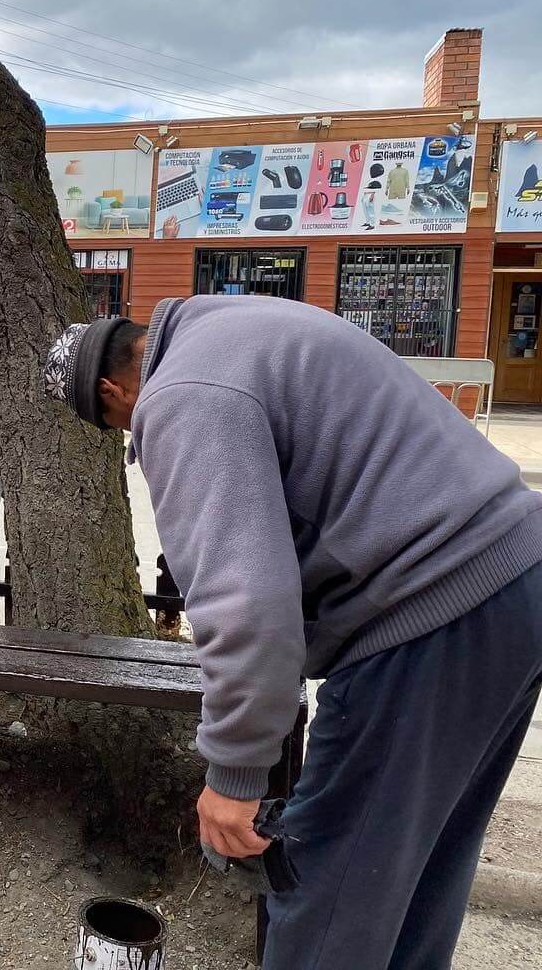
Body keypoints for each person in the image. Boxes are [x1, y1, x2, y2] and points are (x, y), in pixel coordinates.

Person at [44, 296, 542, 969]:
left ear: (112, 392)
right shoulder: (236, 326)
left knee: (329, 890)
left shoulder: (183, 395)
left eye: (118, 425)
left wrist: (234, 771)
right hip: (514, 578)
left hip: (429, 617)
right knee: (415, 872)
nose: (134, 431)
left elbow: (244, 601)